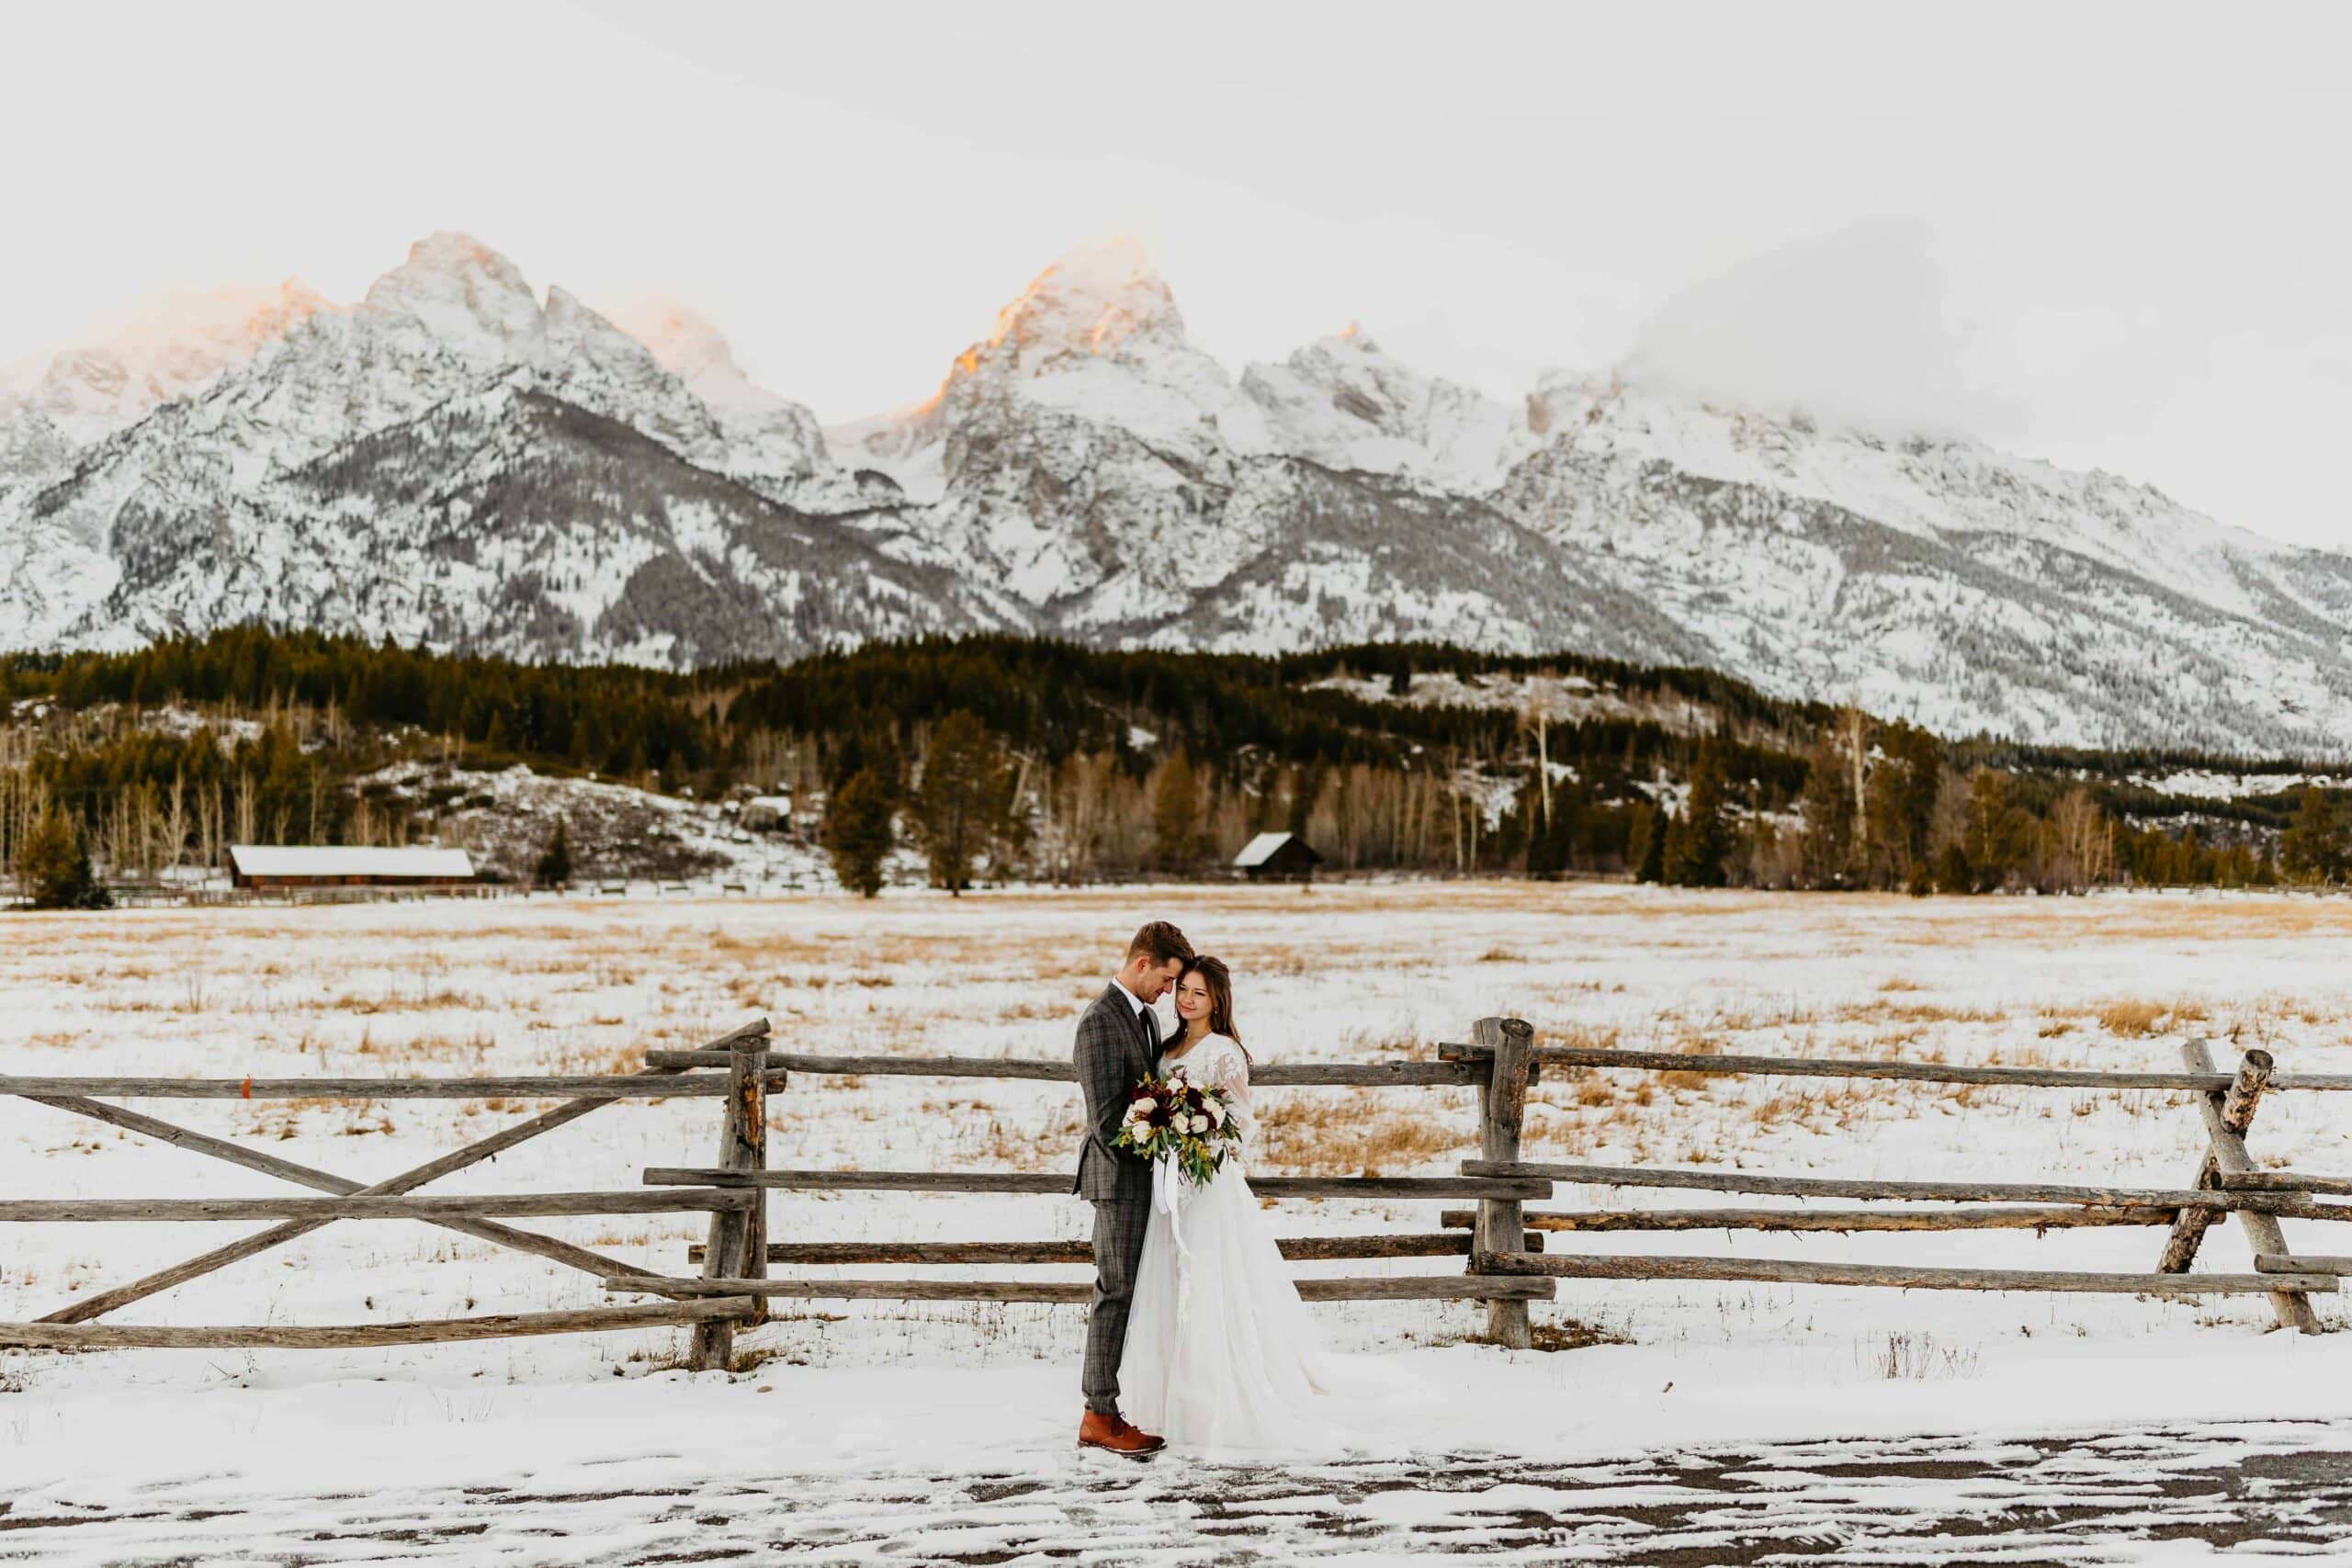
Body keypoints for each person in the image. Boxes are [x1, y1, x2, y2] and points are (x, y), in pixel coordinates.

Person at [1117, 954, 1336, 1450]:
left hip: (1207, 1184)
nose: (1187, 999)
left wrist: (1200, 1137)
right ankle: (1166, 1394)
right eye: (1182, 990)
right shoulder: (1168, 1046)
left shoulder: (1224, 1053)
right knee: (1168, 1282)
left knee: (1213, 1280)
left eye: (1198, 992)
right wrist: (1162, 1132)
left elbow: (1242, 1121)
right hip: (1168, 1183)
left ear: (1217, 999)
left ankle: (1214, 1396)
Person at [1070, 919, 1193, 1457]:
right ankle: (1099, 1414)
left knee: (1133, 1293)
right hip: (1119, 1179)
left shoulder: (1141, 1017)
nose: (1169, 993)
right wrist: (1163, 1135)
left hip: (1145, 1178)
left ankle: (1117, 1404)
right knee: (1114, 1293)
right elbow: (1106, 1120)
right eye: (1166, 981)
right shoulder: (1100, 1021)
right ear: (1142, 964)